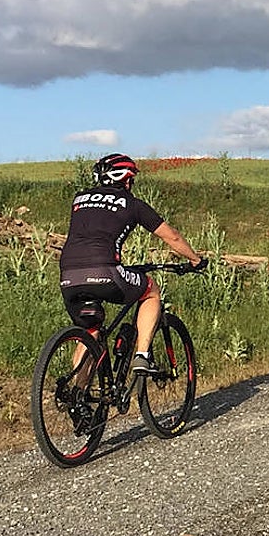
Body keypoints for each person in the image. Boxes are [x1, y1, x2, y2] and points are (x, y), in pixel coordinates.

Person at [58, 153, 206, 374]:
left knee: (91, 331)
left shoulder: (79, 199)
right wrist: (195, 260)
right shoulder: (133, 204)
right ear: (126, 180)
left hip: (68, 275)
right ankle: (142, 356)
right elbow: (172, 237)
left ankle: (77, 391)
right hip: (106, 271)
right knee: (151, 291)